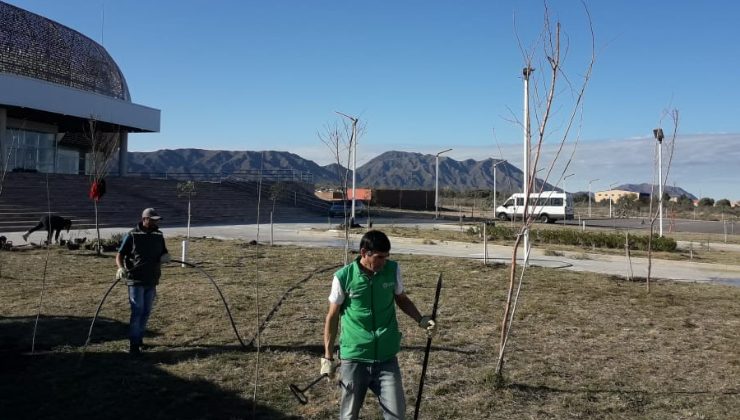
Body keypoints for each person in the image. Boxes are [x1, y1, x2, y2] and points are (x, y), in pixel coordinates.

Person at [322, 230, 437, 420]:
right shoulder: (343, 277)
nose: (384, 262)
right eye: (379, 257)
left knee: (397, 415)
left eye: (386, 257)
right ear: (364, 253)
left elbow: (402, 299)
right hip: (354, 357)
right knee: (348, 415)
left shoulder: (392, 270)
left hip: (386, 358)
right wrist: (327, 357)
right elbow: (332, 317)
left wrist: (421, 319)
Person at [115, 208, 171, 355]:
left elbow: (163, 251)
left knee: (146, 311)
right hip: (136, 280)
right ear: (144, 219)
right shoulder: (132, 235)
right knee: (137, 310)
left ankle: (139, 339)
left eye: (156, 220)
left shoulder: (158, 235)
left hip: (152, 279)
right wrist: (121, 268)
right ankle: (133, 344)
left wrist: (165, 256)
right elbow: (119, 255)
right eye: (152, 220)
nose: (155, 222)